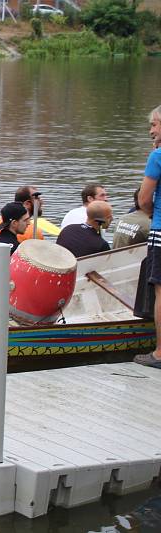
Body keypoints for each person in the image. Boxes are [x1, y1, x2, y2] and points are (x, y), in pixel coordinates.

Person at [135, 104, 161, 368]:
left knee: (160, 291)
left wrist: (155, 214)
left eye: (154, 125)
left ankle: (160, 353)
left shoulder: (158, 156)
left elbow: (143, 198)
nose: (151, 130)